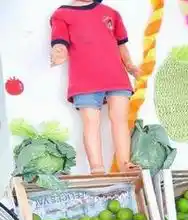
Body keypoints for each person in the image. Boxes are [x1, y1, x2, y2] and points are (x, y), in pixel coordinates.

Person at [50, 0, 141, 173]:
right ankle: (97, 167)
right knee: (91, 122)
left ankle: (125, 163)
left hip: (116, 75)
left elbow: (121, 45)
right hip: (85, 79)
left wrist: (130, 65)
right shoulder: (62, 14)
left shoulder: (111, 13)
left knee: (120, 119)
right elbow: (59, 41)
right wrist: (59, 51)